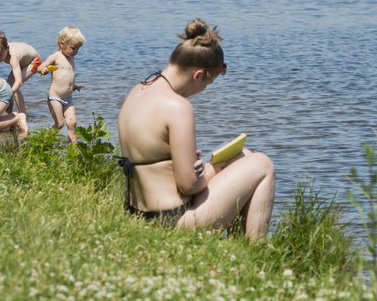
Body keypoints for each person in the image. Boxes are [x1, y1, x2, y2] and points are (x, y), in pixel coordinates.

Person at [116, 19, 275, 241]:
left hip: (141, 213)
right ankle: (254, 252)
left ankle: (239, 247)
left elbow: (158, 160)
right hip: (171, 220)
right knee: (262, 164)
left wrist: (202, 167)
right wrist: (208, 172)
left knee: (243, 156)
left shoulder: (138, 91)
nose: (202, 90)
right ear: (198, 74)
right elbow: (188, 185)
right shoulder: (178, 107)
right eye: (207, 84)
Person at [38, 26, 85, 144]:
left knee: (72, 123)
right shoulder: (56, 56)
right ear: (62, 43)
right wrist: (44, 70)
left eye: (78, 49)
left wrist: (74, 86)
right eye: (73, 48)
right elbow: (40, 67)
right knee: (60, 124)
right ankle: (43, 141)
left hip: (68, 98)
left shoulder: (71, 58)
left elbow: (67, 77)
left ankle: (73, 149)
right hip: (55, 98)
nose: (75, 52)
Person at [0, 30, 40, 116]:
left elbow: (18, 81)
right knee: (9, 86)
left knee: (13, 87)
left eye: (0, 55)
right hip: (22, 63)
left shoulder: (13, 57)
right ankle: (9, 113)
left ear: (7, 48)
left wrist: (9, 93)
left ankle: (22, 115)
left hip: (34, 61)